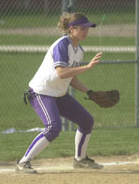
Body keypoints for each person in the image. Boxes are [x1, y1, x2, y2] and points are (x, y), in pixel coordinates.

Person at [16, 13, 104, 174]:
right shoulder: (62, 45)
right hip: (42, 92)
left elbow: (70, 77)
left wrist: (89, 92)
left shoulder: (79, 50)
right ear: (72, 29)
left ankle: (80, 159)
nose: (86, 31)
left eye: (87, 29)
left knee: (86, 121)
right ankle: (23, 162)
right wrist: (87, 67)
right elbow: (61, 72)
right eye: (82, 28)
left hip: (58, 94)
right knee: (53, 127)